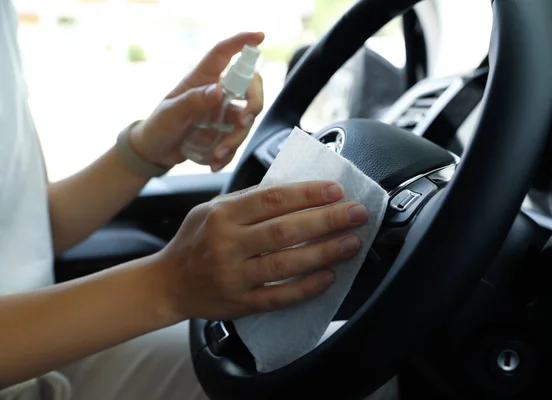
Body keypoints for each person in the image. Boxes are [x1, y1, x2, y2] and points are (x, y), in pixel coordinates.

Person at [0, 1, 372, 398]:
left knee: (335, 371)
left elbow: (29, 229)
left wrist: (146, 151)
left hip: (40, 361)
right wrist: (167, 285)